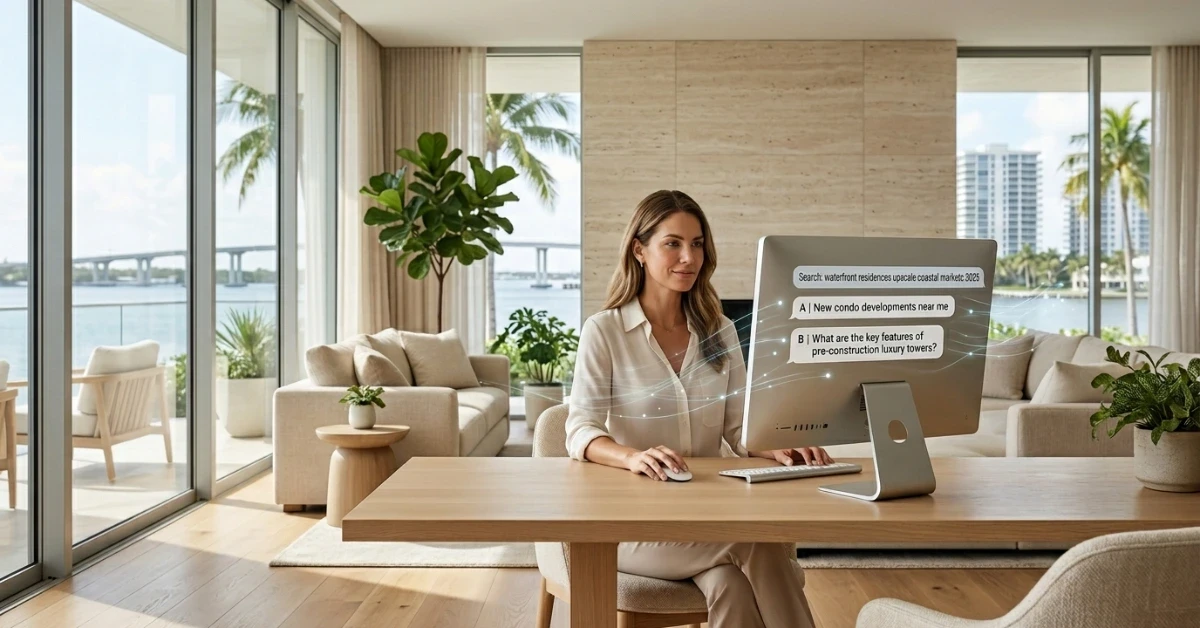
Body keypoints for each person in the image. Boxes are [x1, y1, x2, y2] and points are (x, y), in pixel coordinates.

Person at [564, 189, 832, 628]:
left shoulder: (719, 330)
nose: (689, 257)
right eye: (673, 243)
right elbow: (580, 430)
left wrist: (777, 444)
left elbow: (738, 427)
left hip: (708, 515)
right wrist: (633, 457)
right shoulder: (604, 331)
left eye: (697, 244)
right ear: (639, 250)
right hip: (632, 527)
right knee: (758, 542)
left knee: (730, 585)